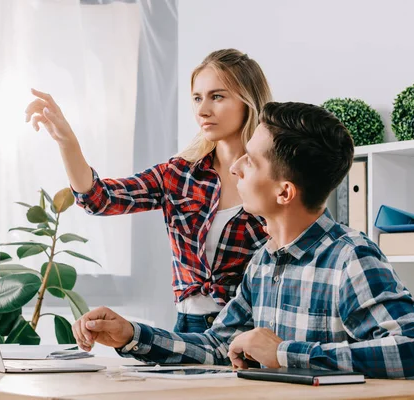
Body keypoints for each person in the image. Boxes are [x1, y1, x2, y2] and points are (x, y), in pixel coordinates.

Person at [70, 102, 414, 381]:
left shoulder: (351, 257)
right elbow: (218, 346)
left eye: (251, 161)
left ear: (284, 192)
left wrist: (283, 353)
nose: (234, 167)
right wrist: (131, 335)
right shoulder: (264, 262)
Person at [25, 49, 272, 333]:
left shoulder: (274, 177)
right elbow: (100, 199)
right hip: (189, 327)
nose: (202, 110)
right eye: (197, 98)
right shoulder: (178, 175)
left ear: (247, 101)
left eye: (217, 96)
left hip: (252, 329)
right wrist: (67, 142)